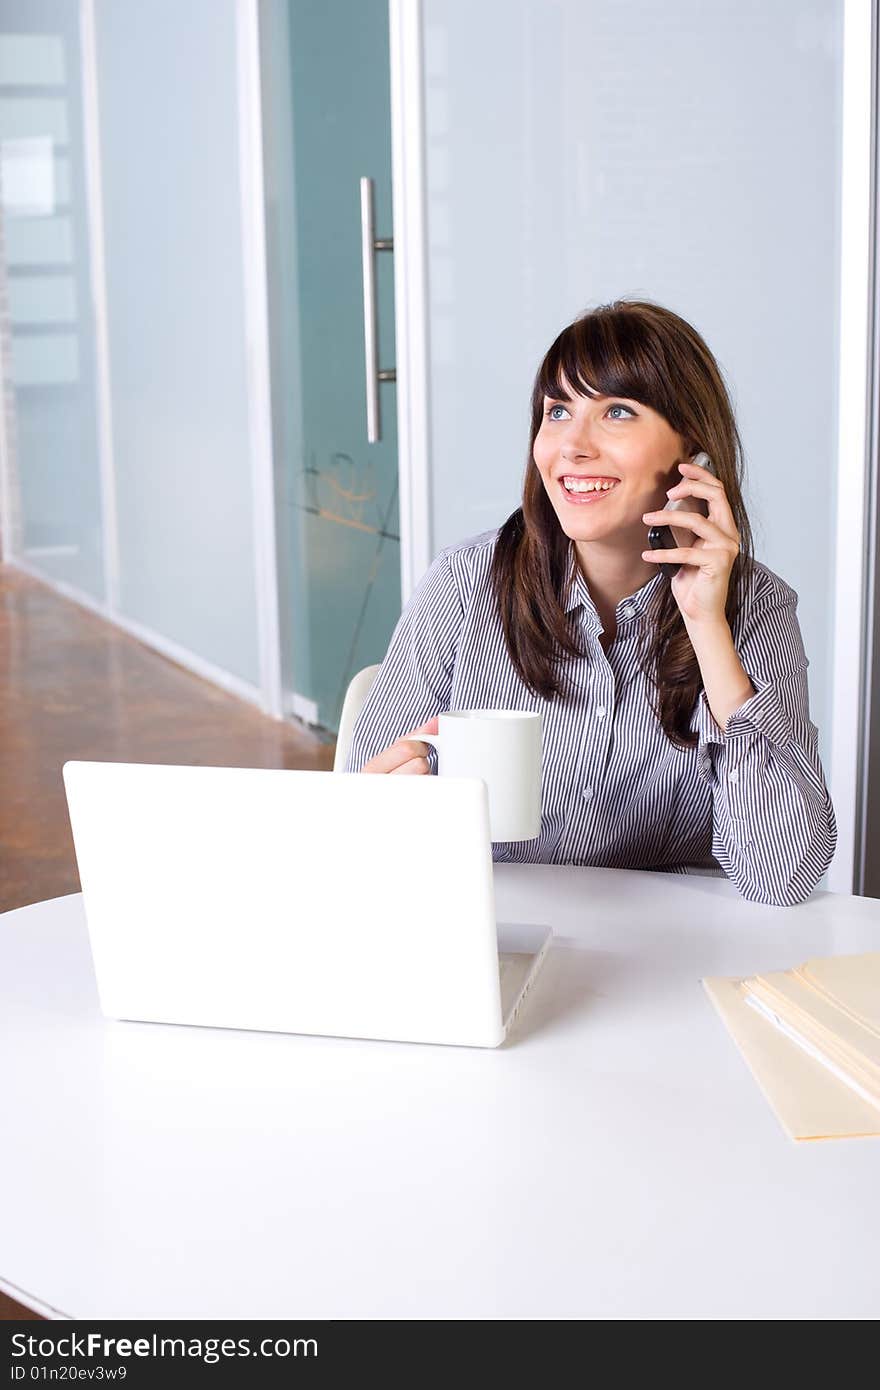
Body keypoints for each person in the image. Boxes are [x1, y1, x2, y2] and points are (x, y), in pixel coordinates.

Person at [344, 299, 836, 907]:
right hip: (497, 930)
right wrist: (396, 796)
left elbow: (781, 877)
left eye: (618, 412)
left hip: (677, 953)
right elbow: (357, 819)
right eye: (558, 412)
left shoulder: (753, 605)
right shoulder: (464, 583)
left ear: (694, 453)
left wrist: (708, 625)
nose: (572, 446)